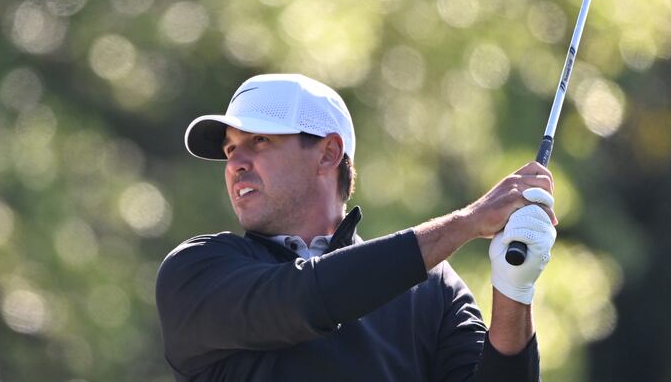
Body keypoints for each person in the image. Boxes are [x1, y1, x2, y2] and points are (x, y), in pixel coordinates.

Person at [156, 74, 558, 381]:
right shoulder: (196, 271)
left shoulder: (432, 291)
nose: (235, 163)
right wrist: (468, 223)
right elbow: (306, 298)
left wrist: (513, 288)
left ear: (328, 153)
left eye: (259, 140)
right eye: (230, 149)